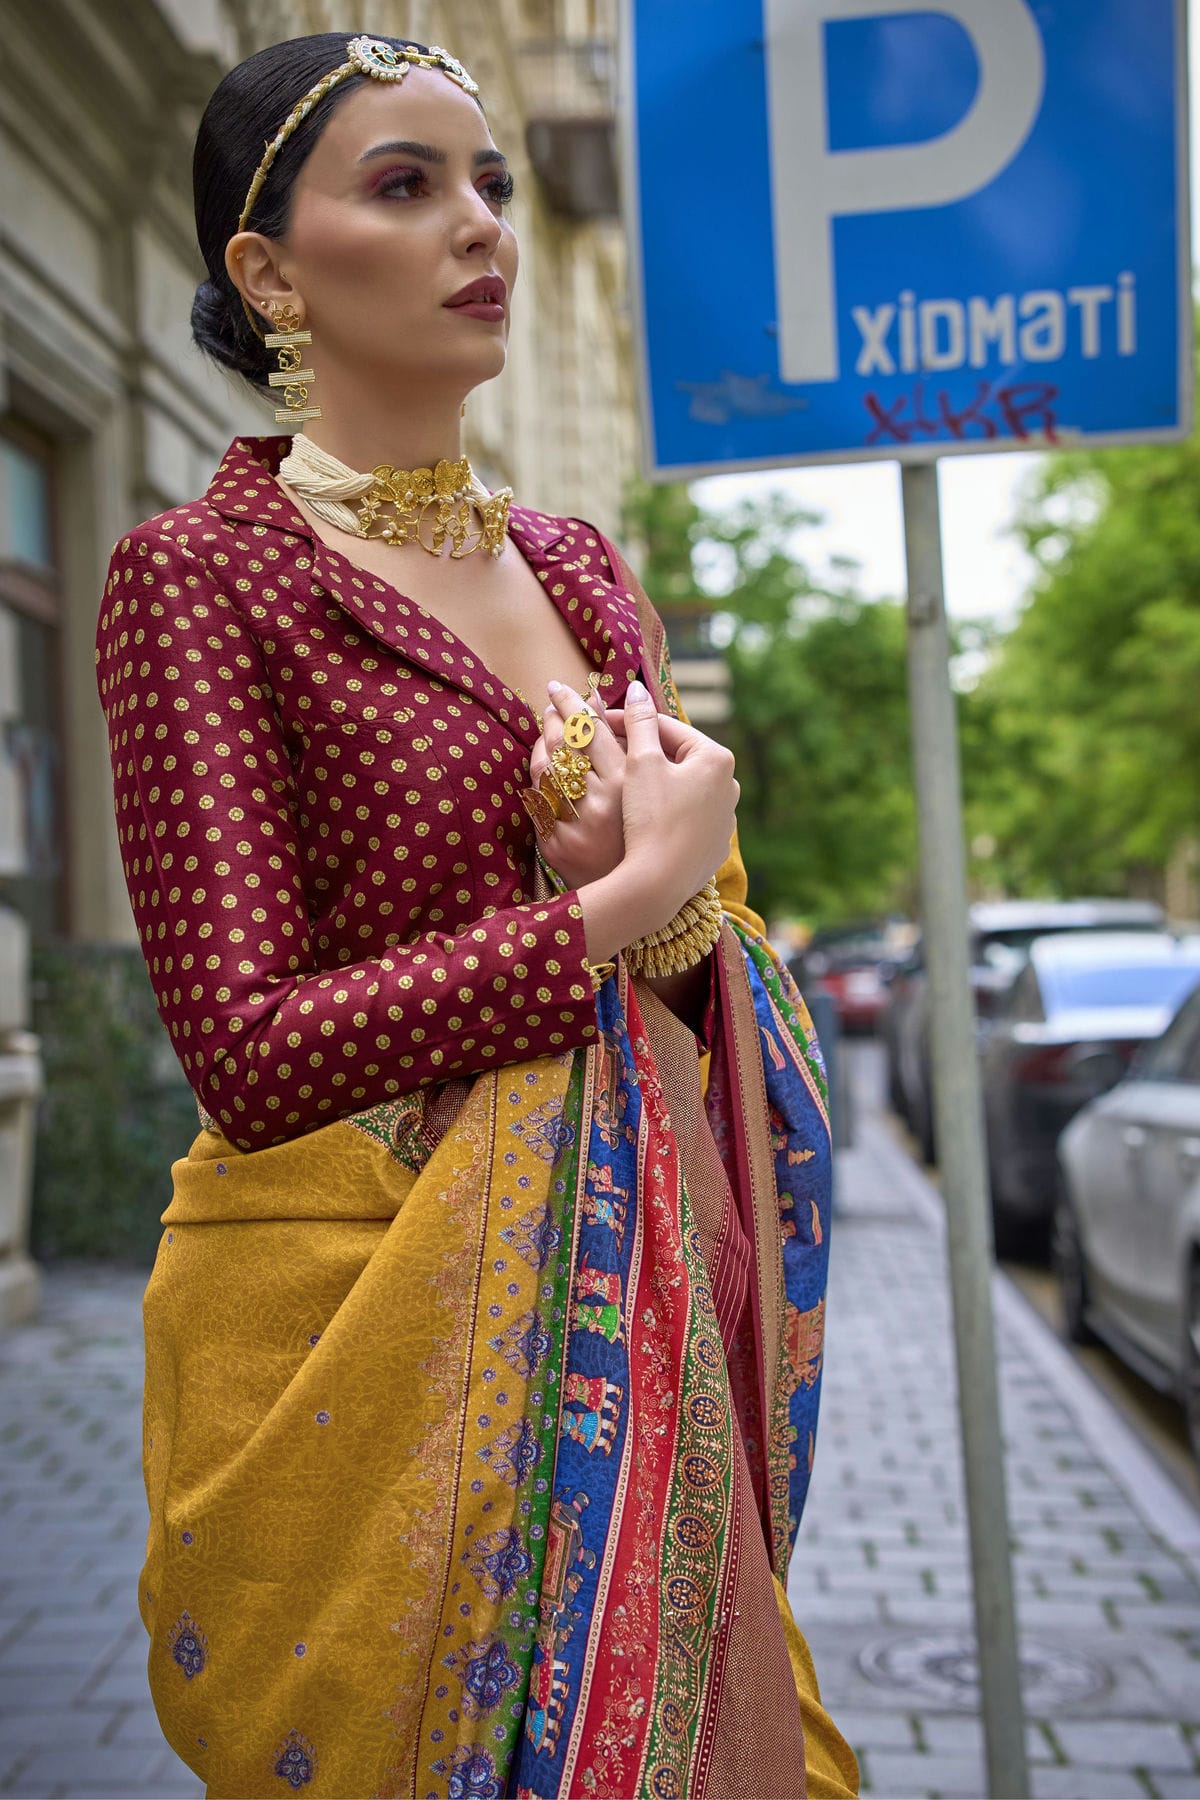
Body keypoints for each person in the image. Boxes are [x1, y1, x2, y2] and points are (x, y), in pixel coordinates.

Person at [95, 32, 858, 1800]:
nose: (479, 229)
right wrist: (613, 910)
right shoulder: (200, 578)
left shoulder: (586, 566)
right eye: (406, 185)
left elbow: (698, 969)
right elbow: (246, 1046)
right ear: (269, 273)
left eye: (492, 186)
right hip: (353, 1348)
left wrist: (680, 926)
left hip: (627, 1308)